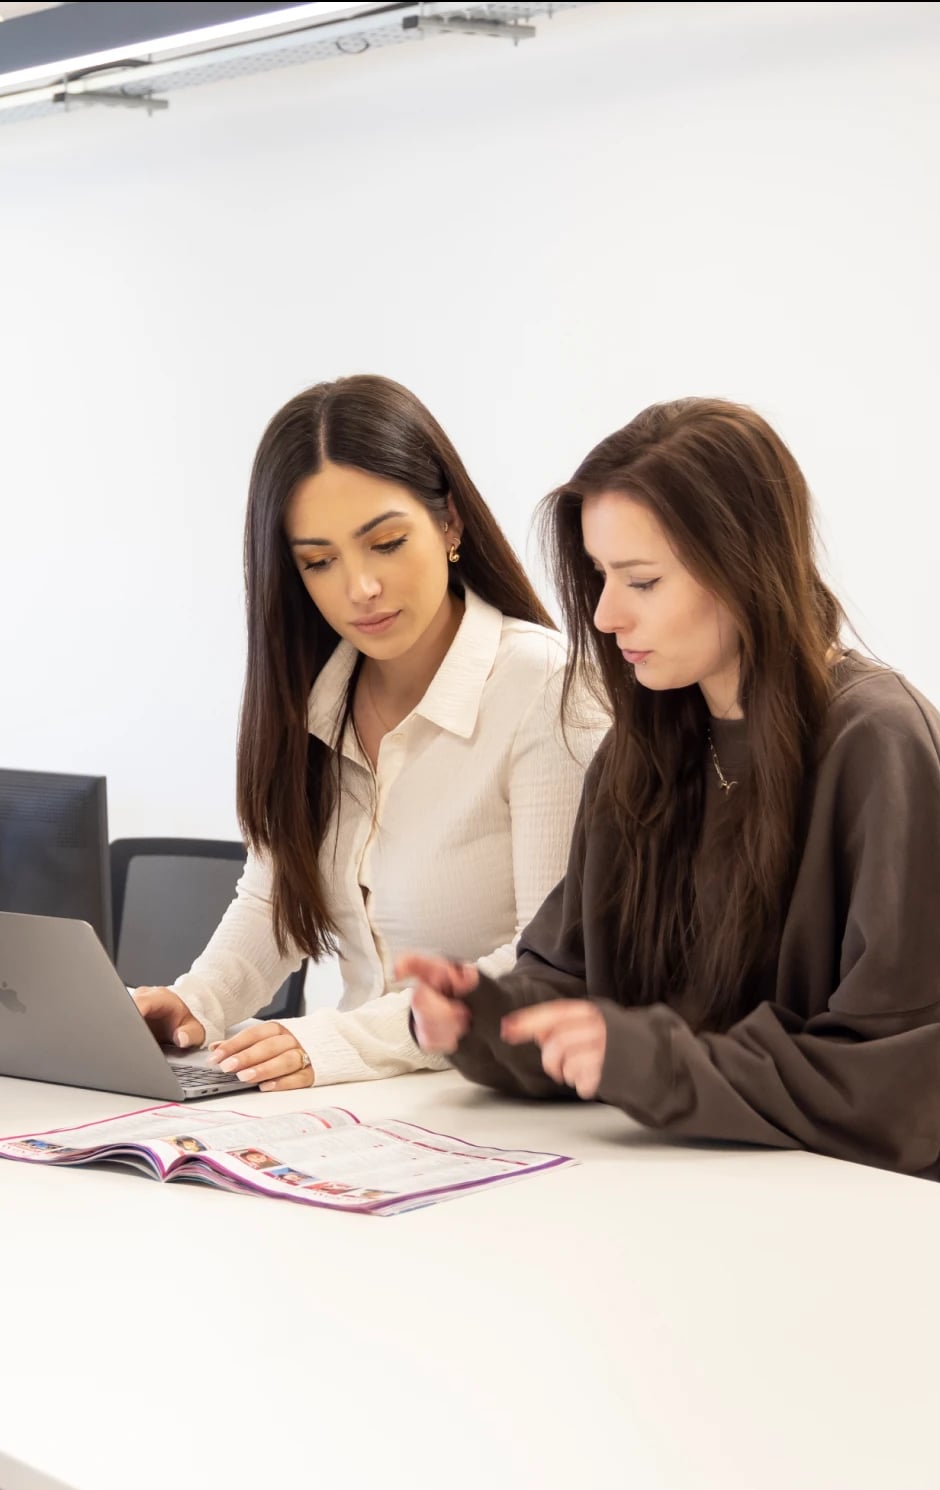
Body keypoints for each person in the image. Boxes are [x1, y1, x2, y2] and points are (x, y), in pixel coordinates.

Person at [395, 399, 940, 1196]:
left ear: (744, 565)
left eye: (642, 580)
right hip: (713, 1183)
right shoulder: (648, 744)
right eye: (600, 576)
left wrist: (647, 1059)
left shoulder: (883, 746)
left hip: (900, 1214)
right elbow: (576, 981)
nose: (604, 613)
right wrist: (485, 1019)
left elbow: (896, 1087)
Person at [132, 376, 601, 1090]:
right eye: (319, 562)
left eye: (384, 543)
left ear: (449, 525)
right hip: (362, 1109)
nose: (360, 588)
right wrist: (196, 1003)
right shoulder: (315, 699)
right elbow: (272, 901)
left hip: (497, 1101)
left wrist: (340, 1038)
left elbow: (554, 962)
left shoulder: (546, 689)